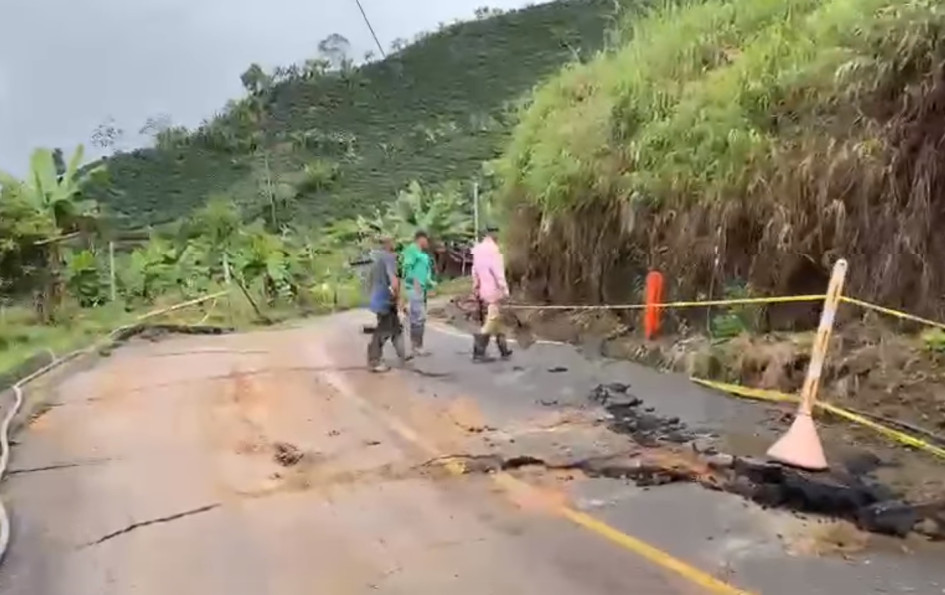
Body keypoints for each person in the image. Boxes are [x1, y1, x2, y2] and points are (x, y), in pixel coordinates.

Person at [366, 235, 410, 372]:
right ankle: (374, 361)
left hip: (376, 298)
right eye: (392, 243)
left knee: (395, 328)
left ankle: (403, 354)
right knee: (383, 330)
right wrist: (399, 301)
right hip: (386, 300)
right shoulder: (388, 258)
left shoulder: (374, 259)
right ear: (388, 244)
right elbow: (394, 282)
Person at [471, 225, 512, 362]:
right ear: (493, 234)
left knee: (496, 319)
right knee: (492, 319)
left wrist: (476, 287)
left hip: (484, 289)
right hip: (494, 290)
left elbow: (475, 270)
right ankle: (478, 351)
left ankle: (503, 349)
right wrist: (505, 289)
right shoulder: (494, 250)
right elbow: (498, 272)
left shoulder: (478, 250)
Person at [401, 230, 436, 357]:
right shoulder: (412, 251)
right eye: (426, 240)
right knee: (418, 317)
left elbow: (424, 273)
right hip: (415, 288)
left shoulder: (423, 255)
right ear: (420, 239)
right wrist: (417, 285)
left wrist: (429, 283)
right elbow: (407, 270)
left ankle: (417, 345)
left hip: (422, 288)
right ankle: (416, 346)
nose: (428, 243)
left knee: (420, 317)